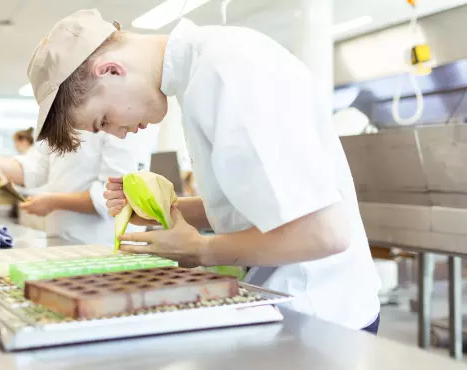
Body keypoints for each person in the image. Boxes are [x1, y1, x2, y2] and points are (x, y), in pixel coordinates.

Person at [24, 9, 381, 334]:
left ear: (110, 70)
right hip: (286, 303)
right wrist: (168, 208)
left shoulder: (227, 70)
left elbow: (323, 233)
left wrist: (199, 249)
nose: (116, 132)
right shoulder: (201, 72)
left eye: (103, 120)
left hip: (319, 316)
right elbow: (262, 203)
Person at [0, 129, 150, 245]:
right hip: (62, 242)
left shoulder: (120, 121)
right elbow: (37, 166)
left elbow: (112, 196)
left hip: (104, 245)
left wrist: (52, 202)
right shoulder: (62, 113)